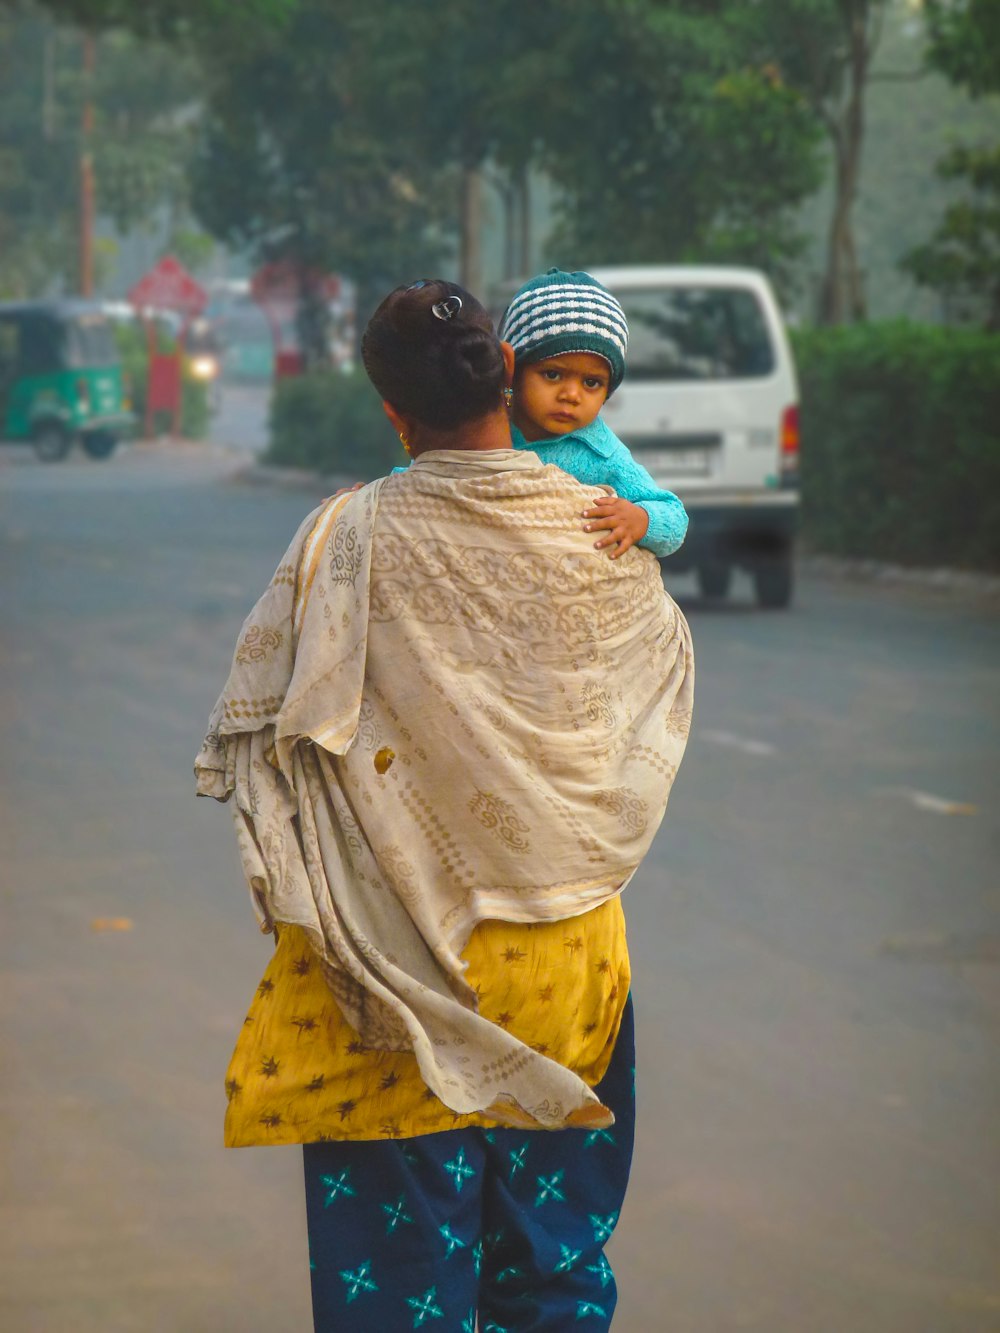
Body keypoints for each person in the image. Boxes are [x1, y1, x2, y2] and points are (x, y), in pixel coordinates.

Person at [194, 278, 694, 1332]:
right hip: (569, 966)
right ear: (508, 377)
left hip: (395, 977)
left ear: (392, 412)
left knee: (401, 1290)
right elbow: (652, 704)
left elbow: (265, 734)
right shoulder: (605, 530)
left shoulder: (344, 538)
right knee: (550, 1273)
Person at [499, 267, 688, 561]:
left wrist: (640, 519)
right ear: (513, 371)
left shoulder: (602, 455)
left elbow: (674, 518)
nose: (571, 395)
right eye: (552, 374)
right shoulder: (486, 429)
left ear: (607, 391)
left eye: (591, 383)